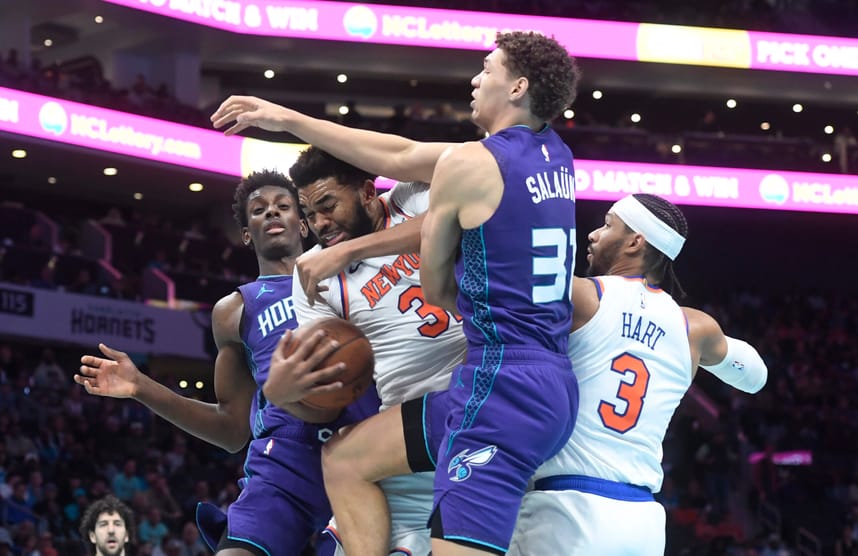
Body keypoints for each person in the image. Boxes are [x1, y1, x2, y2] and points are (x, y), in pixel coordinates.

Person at [214, 31, 581, 555]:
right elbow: (397, 151)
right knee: (343, 459)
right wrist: (289, 121)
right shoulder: (556, 153)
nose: (475, 79)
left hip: (495, 384)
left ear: (518, 86)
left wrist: (360, 253)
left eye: (487, 69)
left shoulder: (464, 169)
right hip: (532, 384)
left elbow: (436, 280)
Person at [74, 170, 379, 556]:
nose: (272, 214)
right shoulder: (234, 310)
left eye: (283, 207)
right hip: (286, 465)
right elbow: (232, 430)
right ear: (246, 234)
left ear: (303, 224)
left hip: (365, 452)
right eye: (259, 210)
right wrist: (141, 387)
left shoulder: (349, 274)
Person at [504, 193, 768, 555]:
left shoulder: (579, 295)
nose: (593, 234)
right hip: (642, 524)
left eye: (608, 224)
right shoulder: (694, 327)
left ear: (636, 241)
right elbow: (756, 377)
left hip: (566, 510)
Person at [261, 146, 468, 555]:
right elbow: (326, 399)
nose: (319, 223)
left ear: (369, 193)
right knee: (340, 455)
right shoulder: (314, 275)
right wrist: (288, 394)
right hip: (404, 431)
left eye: (328, 205)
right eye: (309, 214)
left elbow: (464, 207)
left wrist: (350, 250)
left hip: (480, 395)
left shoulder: (413, 197)